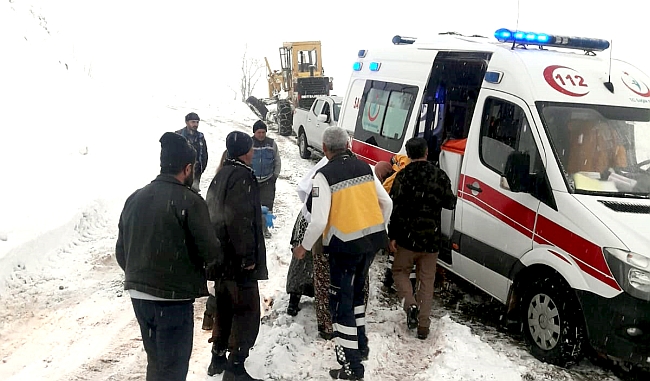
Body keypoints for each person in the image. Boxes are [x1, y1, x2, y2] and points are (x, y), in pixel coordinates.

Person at [115, 132, 223, 381]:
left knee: (156, 361)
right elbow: (210, 252)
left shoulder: (135, 198)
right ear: (187, 169)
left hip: (139, 297)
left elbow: (122, 253)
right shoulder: (190, 201)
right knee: (173, 368)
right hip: (172, 300)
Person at [293, 126, 392, 381]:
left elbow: (318, 221)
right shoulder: (366, 168)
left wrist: (303, 247)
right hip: (369, 245)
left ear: (325, 149)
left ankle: (352, 368)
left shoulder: (323, 176)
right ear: (348, 145)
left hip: (344, 248)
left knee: (341, 305)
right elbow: (387, 203)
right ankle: (360, 347)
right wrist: (379, 228)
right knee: (357, 297)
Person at [205, 131, 268, 381]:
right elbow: (240, 220)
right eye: (251, 148)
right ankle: (235, 367)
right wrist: (247, 256)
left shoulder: (221, 175)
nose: (253, 152)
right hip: (237, 262)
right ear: (244, 151)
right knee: (246, 312)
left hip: (220, 260)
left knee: (224, 308)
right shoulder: (242, 176)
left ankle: (217, 358)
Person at [388, 137, 456, 340]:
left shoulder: (403, 176)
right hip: (431, 239)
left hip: (407, 239)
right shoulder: (440, 176)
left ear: (408, 155)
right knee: (426, 281)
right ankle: (424, 326)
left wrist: (392, 236)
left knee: (399, 272)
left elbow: (395, 208)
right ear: (426, 152)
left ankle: (410, 305)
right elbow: (450, 203)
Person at [286, 157, 328, 321]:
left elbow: (305, 190)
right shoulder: (325, 172)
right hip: (316, 220)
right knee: (306, 259)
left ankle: (296, 298)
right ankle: (297, 298)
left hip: (311, 218)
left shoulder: (322, 169)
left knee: (305, 261)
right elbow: (310, 191)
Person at [202, 148, 229, 331]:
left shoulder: (216, 181)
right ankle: (217, 319)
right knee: (224, 284)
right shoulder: (234, 181)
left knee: (217, 283)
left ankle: (209, 317)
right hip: (225, 239)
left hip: (215, 237)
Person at [251, 120, 281, 238]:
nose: (261, 135)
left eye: (263, 132)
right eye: (259, 132)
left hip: (268, 180)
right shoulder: (249, 143)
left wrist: (275, 176)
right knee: (252, 205)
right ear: (254, 132)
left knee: (267, 206)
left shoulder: (271, 144)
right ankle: (253, 228)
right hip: (252, 180)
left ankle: (265, 228)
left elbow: (277, 161)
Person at [176, 112, 208, 192]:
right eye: (193, 122)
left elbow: (204, 154)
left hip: (195, 173)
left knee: (194, 195)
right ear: (187, 122)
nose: (195, 124)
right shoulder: (178, 135)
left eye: (197, 122)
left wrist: (200, 168)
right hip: (180, 172)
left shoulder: (200, 137)